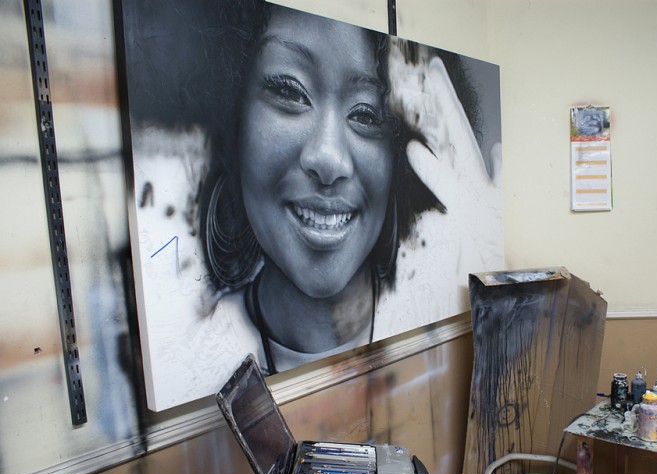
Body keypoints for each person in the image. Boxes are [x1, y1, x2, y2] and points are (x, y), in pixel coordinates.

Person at [198, 2, 498, 375]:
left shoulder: (434, 328)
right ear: (234, 116)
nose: (328, 159)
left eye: (367, 114)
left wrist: (497, 315)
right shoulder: (189, 353)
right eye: (290, 92)